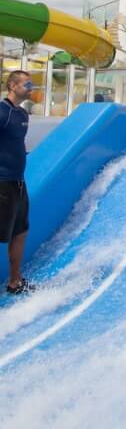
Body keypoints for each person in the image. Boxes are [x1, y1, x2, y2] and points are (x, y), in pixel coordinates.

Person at [0, 71, 35, 294]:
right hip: (2, 183)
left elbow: (18, 145)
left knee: (20, 232)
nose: (31, 88)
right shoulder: (3, 112)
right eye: (27, 84)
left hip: (19, 183)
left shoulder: (22, 114)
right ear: (13, 86)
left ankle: (15, 282)